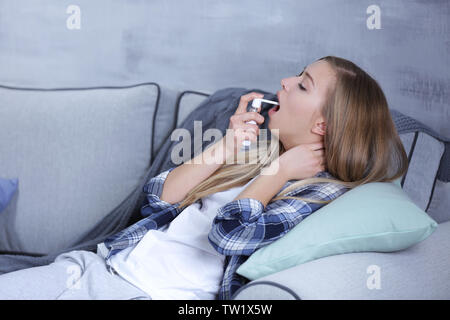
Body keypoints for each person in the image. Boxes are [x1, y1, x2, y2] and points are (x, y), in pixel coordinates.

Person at [0, 56, 408, 300]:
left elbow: (228, 236)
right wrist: (225, 148)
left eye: (302, 85)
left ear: (323, 125)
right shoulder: (260, 149)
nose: (284, 82)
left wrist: (278, 172)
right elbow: (158, 200)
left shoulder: (318, 191)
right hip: (99, 268)